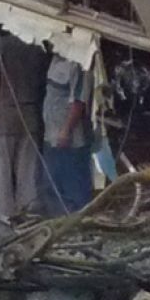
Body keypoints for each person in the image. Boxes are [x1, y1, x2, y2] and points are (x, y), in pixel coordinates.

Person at [0, 28, 48, 218]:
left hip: (1, 120)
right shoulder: (37, 48)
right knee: (27, 175)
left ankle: (5, 220)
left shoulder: (0, 45)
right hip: (30, 117)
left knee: (1, 176)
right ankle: (28, 220)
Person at [41, 52, 98, 214]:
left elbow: (78, 102)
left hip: (70, 140)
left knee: (74, 187)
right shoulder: (56, 58)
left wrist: (66, 131)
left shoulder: (80, 64)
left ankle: (78, 224)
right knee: (52, 184)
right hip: (51, 135)